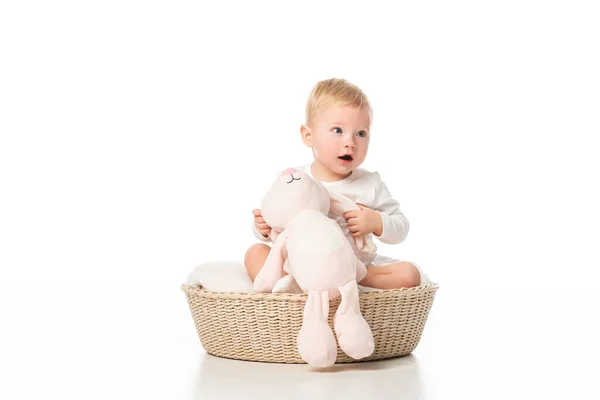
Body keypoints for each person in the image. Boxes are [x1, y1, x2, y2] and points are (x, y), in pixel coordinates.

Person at [244, 78, 428, 290]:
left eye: (361, 133)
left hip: (355, 269)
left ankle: (349, 284)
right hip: (298, 266)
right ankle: (292, 282)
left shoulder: (370, 184)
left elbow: (401, 227)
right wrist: (262, 227)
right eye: (337, 130)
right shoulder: (295, 179)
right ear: (309, 136)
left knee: (409, 273)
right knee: (255, 252)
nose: (350, 142)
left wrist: (377, 222)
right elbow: (276, 216)